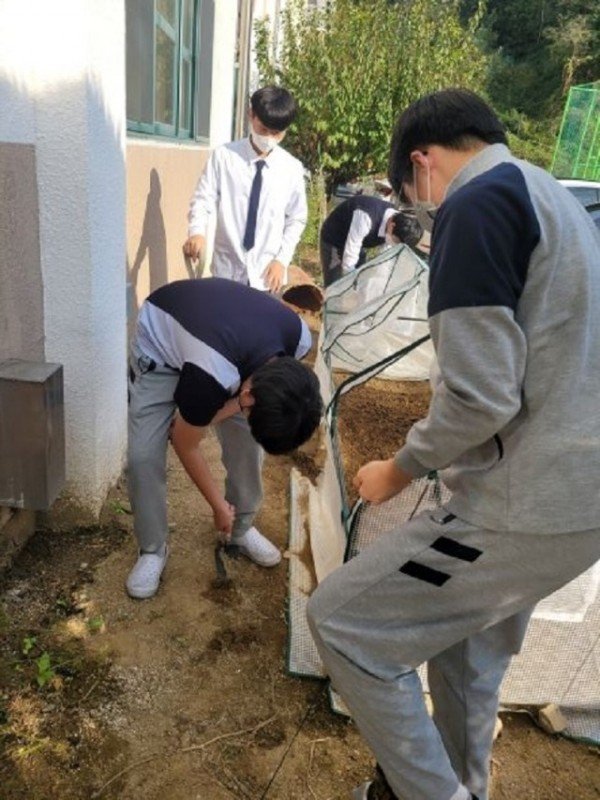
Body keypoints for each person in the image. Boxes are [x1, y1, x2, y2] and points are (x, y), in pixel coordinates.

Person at [307, 88, 600, 800]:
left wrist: (400, 469)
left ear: (421, 166)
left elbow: (481, 396)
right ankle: (464, 781)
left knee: (343, 623)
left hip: (522, 503)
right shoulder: (549, 196)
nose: (421, 214)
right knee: (466, 659)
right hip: (576, 497)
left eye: (413, 199)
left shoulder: (475, 204)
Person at [126, 277, 322, 600]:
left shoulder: (298, 337)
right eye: (246, 402)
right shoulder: (212, 374)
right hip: (161, 345)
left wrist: (241, 406)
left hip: (216, 341)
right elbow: (183, 439)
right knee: (143, 456)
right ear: (247, 391)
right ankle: (152, 549)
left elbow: (264, 399)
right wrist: (218, 505)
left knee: (248, 443)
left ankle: (240, 530)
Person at [183, 86, 307, 293]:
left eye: (276, 133)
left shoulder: (291, 169)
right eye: (264, 129)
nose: (269, 138)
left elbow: (296, 218)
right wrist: (197, 232)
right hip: (227, 270)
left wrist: (281, 260)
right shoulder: (224, 157)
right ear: (251, 115)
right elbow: (203, 199)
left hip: (268, 276)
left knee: (260, 326)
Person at [319, 195, 424, 286]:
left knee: (361, 280)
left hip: (359, 243)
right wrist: (349, 285)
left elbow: (385, 258)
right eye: (395, 241)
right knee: (334, 284)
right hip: (334, 238)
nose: (394, 244)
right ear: (391, 226)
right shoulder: (365, 217)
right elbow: (350, 257)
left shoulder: (397, 223)